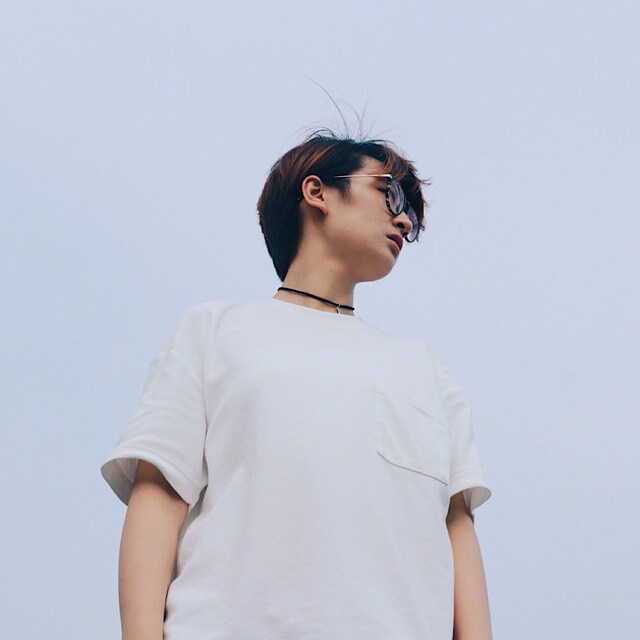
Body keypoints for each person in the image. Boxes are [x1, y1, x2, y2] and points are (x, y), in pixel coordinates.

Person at [101, 129, 493, 640]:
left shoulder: (426, 369)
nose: (403, 220)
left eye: (412, 219)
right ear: (317, 191)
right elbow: (158, 497)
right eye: (390, 193)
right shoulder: (212, 332)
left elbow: (456, 528)